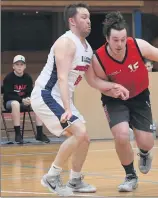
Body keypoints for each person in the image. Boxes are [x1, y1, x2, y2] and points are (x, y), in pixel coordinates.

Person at [92, 11, 158, 192]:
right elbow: (97, 81)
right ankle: (130, 176)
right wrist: (113, 88)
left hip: (140, 96)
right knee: (121, 135)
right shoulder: (99, 58)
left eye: (122, 39)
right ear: (107, 38)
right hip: (115, 98)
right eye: (115, 40)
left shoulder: (137, 45)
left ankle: (144, 153)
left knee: (146, 142)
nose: (120, 44)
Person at [31, 4, 128, 196]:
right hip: (47, 95)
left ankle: (75, 180)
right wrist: (68, 109)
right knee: (78, 132)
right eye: (83, 17)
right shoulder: (66, 42)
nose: (88, 21)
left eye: (89, 17)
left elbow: (92, 80)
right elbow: (62, 77)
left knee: (84, 138)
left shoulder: (87, 48)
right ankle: (52, 177)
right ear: (72, 21)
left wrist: (113, 88)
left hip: (61, 98)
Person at [3, 55, 50, 144]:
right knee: (15, 103)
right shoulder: (9, 78)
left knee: (37, 103)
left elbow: (30, 92)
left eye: (21, 64)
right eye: (17, 64)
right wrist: (21, 100)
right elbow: (8, 95)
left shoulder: (27, 78)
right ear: (13, 66)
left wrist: (29, 99)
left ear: (25, 66)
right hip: (10, 103)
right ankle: (18, 134)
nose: (19, 66)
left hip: (24, 102)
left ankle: (39, 134)